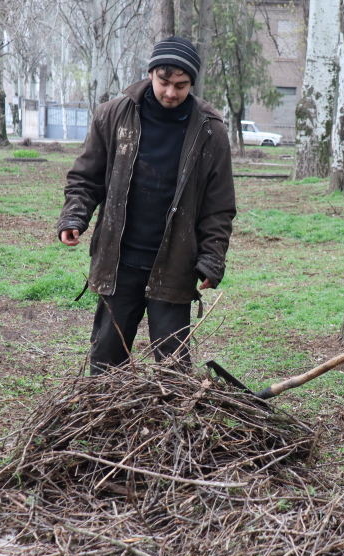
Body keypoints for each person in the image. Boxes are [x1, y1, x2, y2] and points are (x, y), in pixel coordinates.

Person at [56, 36, 235, 375]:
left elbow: (219, 206)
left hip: (175, 262)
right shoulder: (113, 115)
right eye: (164, 82)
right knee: (107, 358)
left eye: (181, 86)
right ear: (150, 73)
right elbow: (85, 178)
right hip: (118, 260)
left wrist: (212, 258)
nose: (171, 92)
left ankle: (174, 426)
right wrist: (74, 216)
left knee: (173, 366)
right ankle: (104, 423)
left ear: (192, 83)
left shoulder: (210, 131)